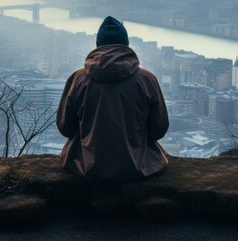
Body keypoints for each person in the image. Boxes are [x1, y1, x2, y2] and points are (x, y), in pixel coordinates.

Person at [57, 16, 169, 180]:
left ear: (98, 45)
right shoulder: (147, 80)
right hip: (138, 166)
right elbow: (159, 129)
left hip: (85, 166)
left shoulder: (77, 80)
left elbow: (65, 127)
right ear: (126, 44)